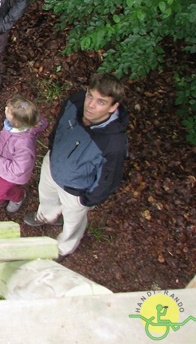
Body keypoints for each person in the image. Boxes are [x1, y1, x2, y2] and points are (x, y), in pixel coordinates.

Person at [23, 73, 129, 262]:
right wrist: (52, 148)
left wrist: (86, 200)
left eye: (101, 102)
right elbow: (58, 126)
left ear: (114, 107)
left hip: (75, 190)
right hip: (52, 165)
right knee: (46, 196)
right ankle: (46, 216)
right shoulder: (75, 102)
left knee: (73, 221)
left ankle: (64, 247)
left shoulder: (113, 143)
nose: (91, 105)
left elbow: (108, 180)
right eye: (90, 95)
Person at [0, 95, 47, 213]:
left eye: (8, 110)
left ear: (16, 122)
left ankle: (15, 198)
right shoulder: (13, 127)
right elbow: (2, 136)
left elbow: (19, 168)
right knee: (0, 185)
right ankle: (3, 197)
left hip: (11, 175)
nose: (5, 109)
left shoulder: (23, 143)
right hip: (3, 167)